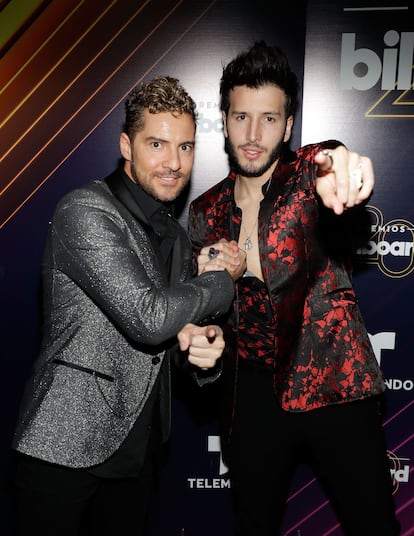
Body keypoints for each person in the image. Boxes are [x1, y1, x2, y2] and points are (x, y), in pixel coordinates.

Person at [9, 75, 243, 536]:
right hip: (64, 448)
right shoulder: (85, 210)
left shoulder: (176, 236)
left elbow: (172, 342)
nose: (174, 163)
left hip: (140, 455)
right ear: (126, 146)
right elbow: (148, 318)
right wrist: (221, 283)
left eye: (186, 147)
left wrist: (204, 350)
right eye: (157, 144)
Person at [189, 42, 400, 535]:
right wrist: (207, 328)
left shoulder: (306, 179)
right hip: (254, 395)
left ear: (287, 126)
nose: (254, 134)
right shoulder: (205, 212)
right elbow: (207, 324)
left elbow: (327, 161)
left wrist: (342, 164)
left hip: (334, 385)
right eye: (242, 117)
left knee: (374, 525)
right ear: (224, 121)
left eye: (269, 118)